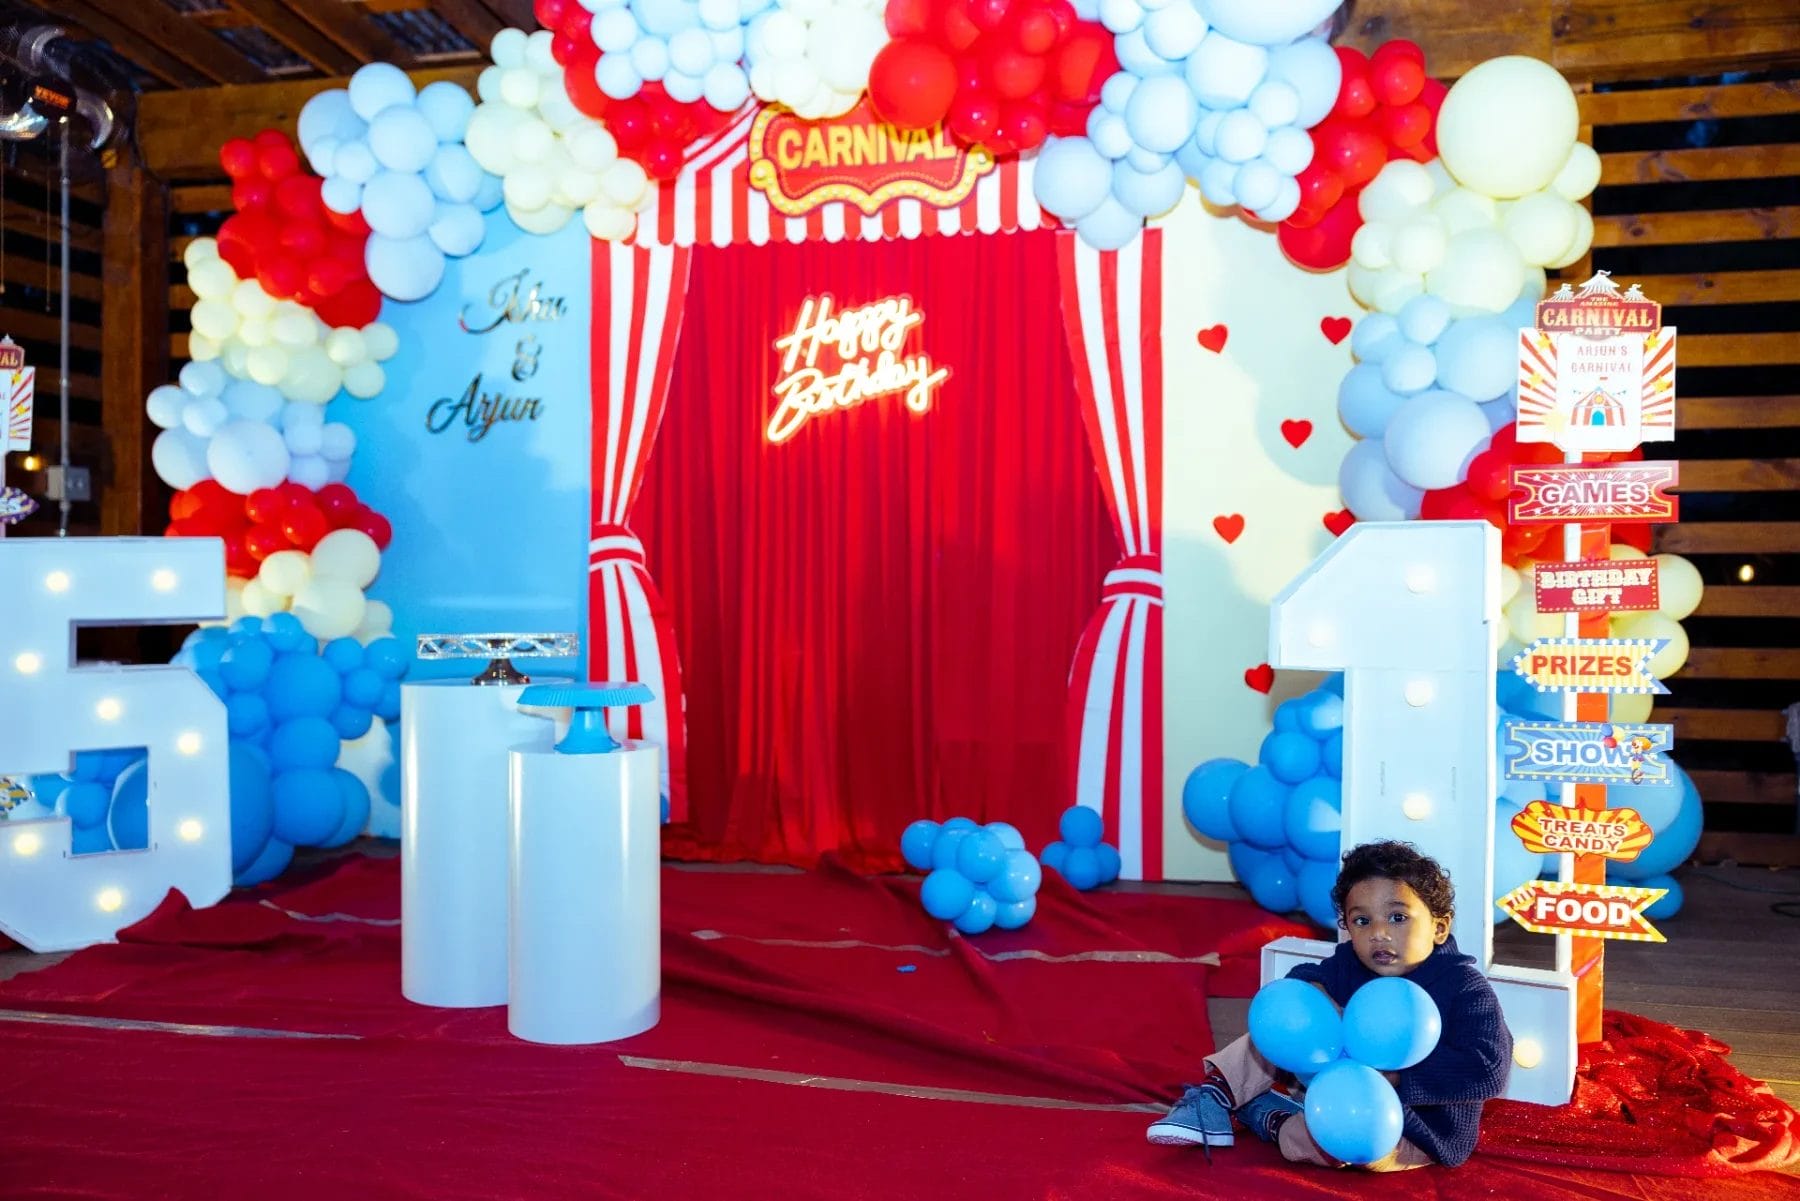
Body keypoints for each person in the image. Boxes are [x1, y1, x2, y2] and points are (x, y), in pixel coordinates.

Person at [1146, 840, 1512, 1170]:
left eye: (1398, 917)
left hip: (1411, 1129)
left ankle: (1270, 1119)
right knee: (1287, 1020)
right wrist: (1315, 992)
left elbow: (1488, 1069)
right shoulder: (1353, 962)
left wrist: (1402, 1078)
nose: (1379, 933)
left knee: (1334, 1146)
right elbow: (1306, 976)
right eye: (1362, 921)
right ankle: (1216, 1095)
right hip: (1325, 1076)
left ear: (1439, 927)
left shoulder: (1464, 988)